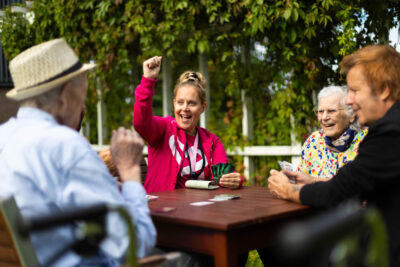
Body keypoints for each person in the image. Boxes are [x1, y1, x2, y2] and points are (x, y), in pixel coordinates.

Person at [0, 38, 156, 266]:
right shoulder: (65, 145)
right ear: (65, 94)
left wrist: (107, 188)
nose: (83, 105)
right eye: (82, 93)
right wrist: (131, 171)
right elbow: (135, 244)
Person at [268, 44, 400, 267]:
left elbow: (341, 190)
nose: (349, 100)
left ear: (384, 89)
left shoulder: (391, 132)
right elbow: (358, 182)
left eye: (355, 90)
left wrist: (289, 190)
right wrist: (311, 180)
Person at [133, 56, 243, 193]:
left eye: (192, 103)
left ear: (203, 107)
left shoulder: (212, 141)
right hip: (160, 209)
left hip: (198, 211)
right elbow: (140, 123)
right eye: (180, 102)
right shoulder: (163, 128)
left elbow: (223, 178)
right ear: (174, 104)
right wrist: (148, 81)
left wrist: (233, 180)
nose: (185, 108)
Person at [292, 85, 368, 184]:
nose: (324, 117)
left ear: (351, 115)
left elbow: (365, 185)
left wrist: (314, 181)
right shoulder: (314, 141)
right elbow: (300, 181)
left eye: (331, 111)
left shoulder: (367, 139)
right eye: (320, 111)